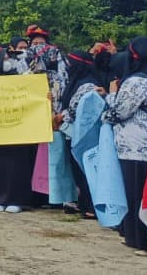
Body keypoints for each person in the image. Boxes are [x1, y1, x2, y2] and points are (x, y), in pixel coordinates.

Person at [105, 36, 147, 256]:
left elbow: (118, 112)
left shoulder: (136, 82)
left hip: (137, 146)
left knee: (139, 195)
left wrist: (111, 94)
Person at [0, 46, 38, 214]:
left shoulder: (18, 77)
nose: (8, 62)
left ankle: (18, 199)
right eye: (4, 59)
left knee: (17, 164)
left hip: (16, 128)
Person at [55, 50, 102, 219]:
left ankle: (91, 206)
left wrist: (61, 116)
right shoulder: (77, 82)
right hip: (75, 133)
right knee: (78, 170)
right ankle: (83, 202)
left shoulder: (87, 85)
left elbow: (76, 108)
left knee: (84, 170)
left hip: (84, 135)